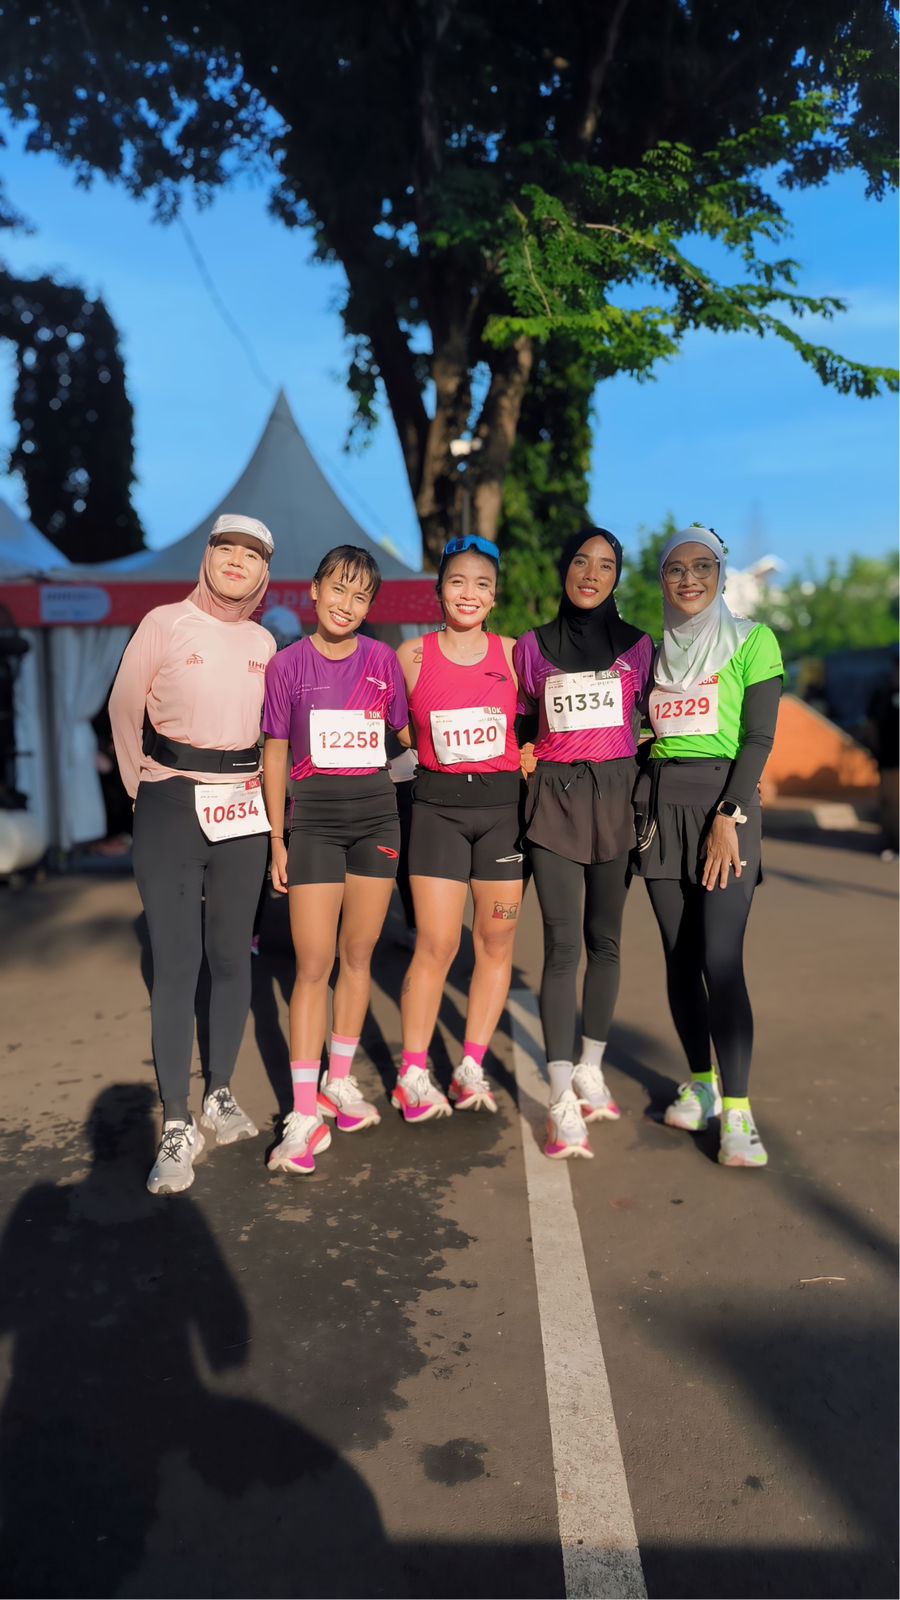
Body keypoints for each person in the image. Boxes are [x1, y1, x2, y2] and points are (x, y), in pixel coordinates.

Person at [108, 514, 277, 1195]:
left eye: (251, 554)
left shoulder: (267, 640)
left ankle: (222, 1093)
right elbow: (125, 710)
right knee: (177, 965)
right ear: (207, 556)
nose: (236, 561)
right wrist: (143, 792)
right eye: (226, 548)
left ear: (265, 570)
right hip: (170, 802)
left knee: (234, 959)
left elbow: (273, 737)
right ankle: (177, 1121)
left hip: (243, 811)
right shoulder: (164, 623)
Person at [632, 526, 783, 1168]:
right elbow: (638, 732)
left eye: (702, 567)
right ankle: (702, 1082)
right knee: (678, 956)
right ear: (662, 581)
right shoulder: (651, 654)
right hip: (663, 809)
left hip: (728, 803)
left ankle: (740, 1113)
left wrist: (729, 811)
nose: (689, 579)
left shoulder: (753, 640)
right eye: (675, 570)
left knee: (722, 959)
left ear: (721, 574)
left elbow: (758, 738)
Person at [261, 545, 408, 1174]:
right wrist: (276, 839)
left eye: (361, 596)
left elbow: (402, 741)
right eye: (338, 590)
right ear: (314, 591)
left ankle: (338, 1080)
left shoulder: (383, 661)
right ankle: (303, 1112)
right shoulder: (286, 665)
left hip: (377, 821)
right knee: (313, 961)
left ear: (370, 606)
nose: (347, 605)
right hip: (313, 825)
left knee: (358, 955)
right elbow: (273, 753)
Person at [514, 529, 653, 1159]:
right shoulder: (532, 647)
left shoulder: (640, 648)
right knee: (563, 946)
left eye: (605, 565)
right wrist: (521, 747)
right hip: (555, 805)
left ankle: (593, 1067)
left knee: (607, 940)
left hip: (617, 803)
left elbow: (659, 718)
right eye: (580, 561)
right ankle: (562, 1094)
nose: (591, 574)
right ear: (563, 568)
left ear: (617, 577)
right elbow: (520, 718)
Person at [394, 534, 523, 1121]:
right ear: (438, 591)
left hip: (503, 816)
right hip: (438, 812)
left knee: (495, 942)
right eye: (457, 582)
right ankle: (413, 1073)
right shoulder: (412, 657)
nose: (469, 593)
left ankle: (471, 1067)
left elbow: (539, 728)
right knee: (438, 943)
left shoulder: (516, 655)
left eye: (482, 584)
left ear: (494, 596)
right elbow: (399, 731)